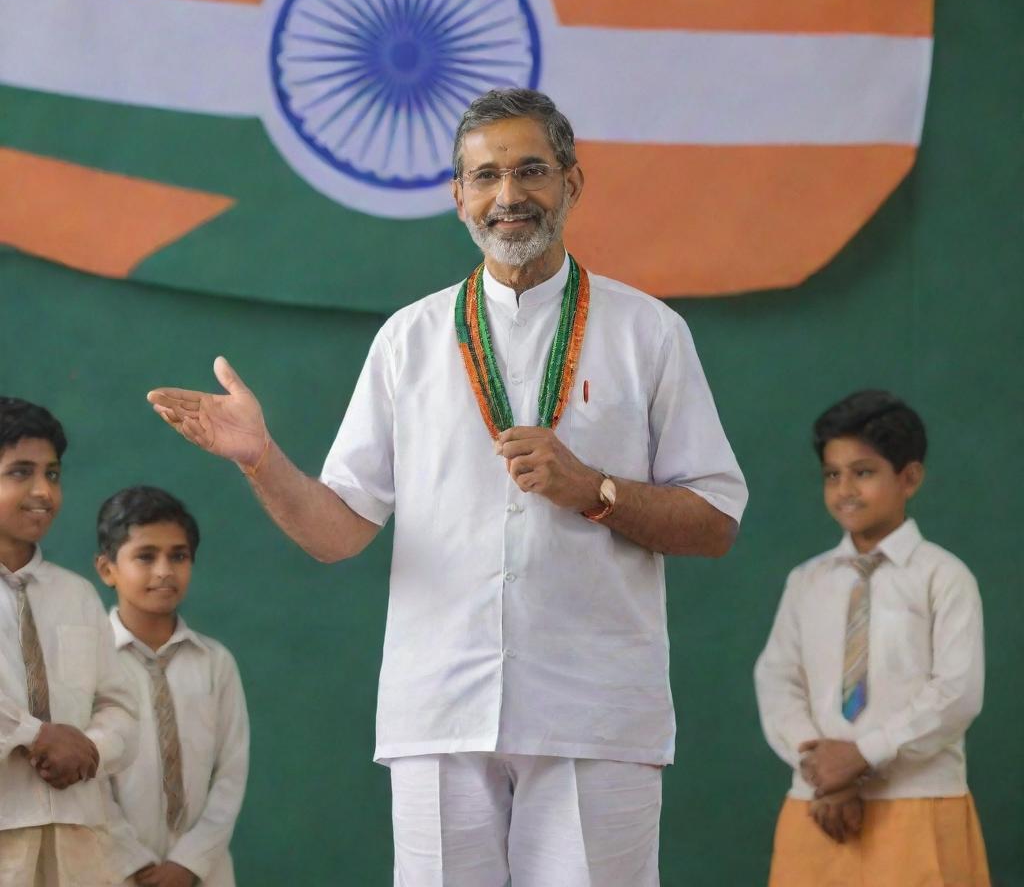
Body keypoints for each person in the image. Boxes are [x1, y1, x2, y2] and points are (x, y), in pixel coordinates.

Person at [147, 88, 747, 886]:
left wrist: (595, 490)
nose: (508, 196)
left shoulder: (650, 333)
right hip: (438, 707)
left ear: (573, 182)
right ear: (455, 194)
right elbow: (339, 532)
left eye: (531, 170)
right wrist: (262, 459)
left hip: (595, 710)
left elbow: (714, 521)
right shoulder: (410, 338)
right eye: (486, 175)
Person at [754, 389, 990, 887]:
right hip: (817, 808)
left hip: (918, 804)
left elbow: (956, 693)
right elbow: (777, 680)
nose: (845, 490)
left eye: (863, 472)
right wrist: (819, 766)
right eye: (832, 475)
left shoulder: (944, 578)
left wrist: (863, 756)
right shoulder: (807, 580)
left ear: (910, 477)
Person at [0, 397, 138, 886]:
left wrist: (91, 749)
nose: (43, 491)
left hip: (79, 840)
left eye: (52, 475)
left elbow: (120, 707)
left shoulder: (77, 595)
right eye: (20, 472)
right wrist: (35, 736)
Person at [94, 486, 249, 887]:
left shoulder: (216, 664)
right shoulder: (88, 665)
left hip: (205, 872)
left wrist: (188, 863)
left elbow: (231, 774)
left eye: (178, 556)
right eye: (146, 556)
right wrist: (133, 861)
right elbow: (86, 779)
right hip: (111, 870)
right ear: (107, 569)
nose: (164, 570)